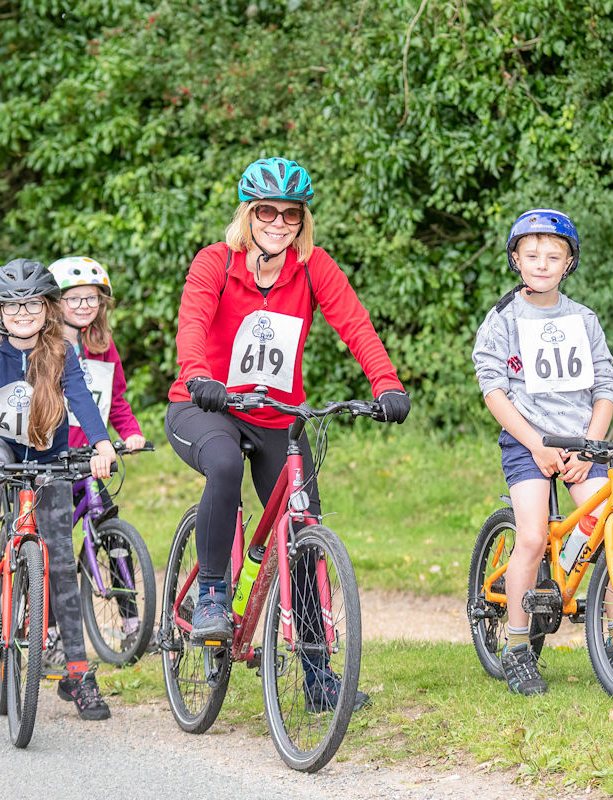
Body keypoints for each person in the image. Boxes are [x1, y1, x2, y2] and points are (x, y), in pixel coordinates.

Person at [165, 156, 410, 711]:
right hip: (207, 407)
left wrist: (386, 382)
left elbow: (355, 323)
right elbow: (193, 323)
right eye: (267, 212)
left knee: (303, 530)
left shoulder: (313, 265)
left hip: (277, 414)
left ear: (302, 220)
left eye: (291, 214)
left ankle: (319, 675)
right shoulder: (215, 263)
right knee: (224, 465)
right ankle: (210, 593)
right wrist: (198, 375)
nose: (279, 223)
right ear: (248, 214)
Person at [0, 258, 116, 720]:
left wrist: (101, 444)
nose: (23, 314)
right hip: (1, 448)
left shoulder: (62, 351)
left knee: (61, 562)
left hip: (49, 457)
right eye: (12, 306)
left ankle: (78, 673)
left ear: (48, 308)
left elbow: (80, 397)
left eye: (33, 305)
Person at [472, 208, 613, 695]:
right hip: (528, 441)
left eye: (553, 256)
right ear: (516, 259)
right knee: (534, 537)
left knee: (612, 532)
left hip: (582, 442)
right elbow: (494, 390)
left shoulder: (584, 319)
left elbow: (605, 386)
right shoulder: (503, 319)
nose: (542, 263)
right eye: (532, 254)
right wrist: (536, 443)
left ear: (569, 263)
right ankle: (517, 645)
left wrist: (593, 444)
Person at [43, 255, 146, 662]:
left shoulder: (102, 347)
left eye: (93, 298)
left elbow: (115, 399)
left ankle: (132, 623)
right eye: (75, 298)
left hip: (90, 459)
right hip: (50, 458)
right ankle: (47, 632)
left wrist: (132, 432)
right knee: (53, 545)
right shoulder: (43, 344)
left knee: (110, 530)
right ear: (55, 302)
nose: (85, 306)